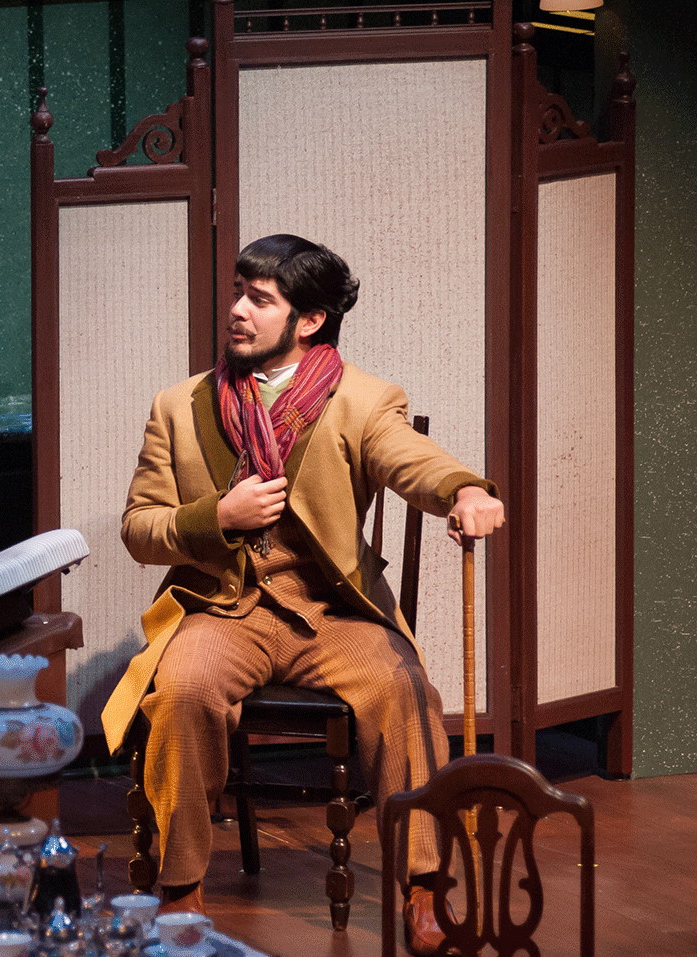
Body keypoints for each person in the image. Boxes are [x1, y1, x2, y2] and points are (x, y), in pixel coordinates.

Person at [99, 234, 504, 956]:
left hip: (331, 611)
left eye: (260, 298)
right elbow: (139, 529)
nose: (237, 311)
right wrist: (215, 517)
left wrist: (464, 490)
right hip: (227, 606)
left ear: (309, 319)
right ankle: (181, 889)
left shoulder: (363, 399)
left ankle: (423, 887)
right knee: (184, 688)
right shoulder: (181, 405)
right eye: (237, 292)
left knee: (404, 689)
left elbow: (408, 459)